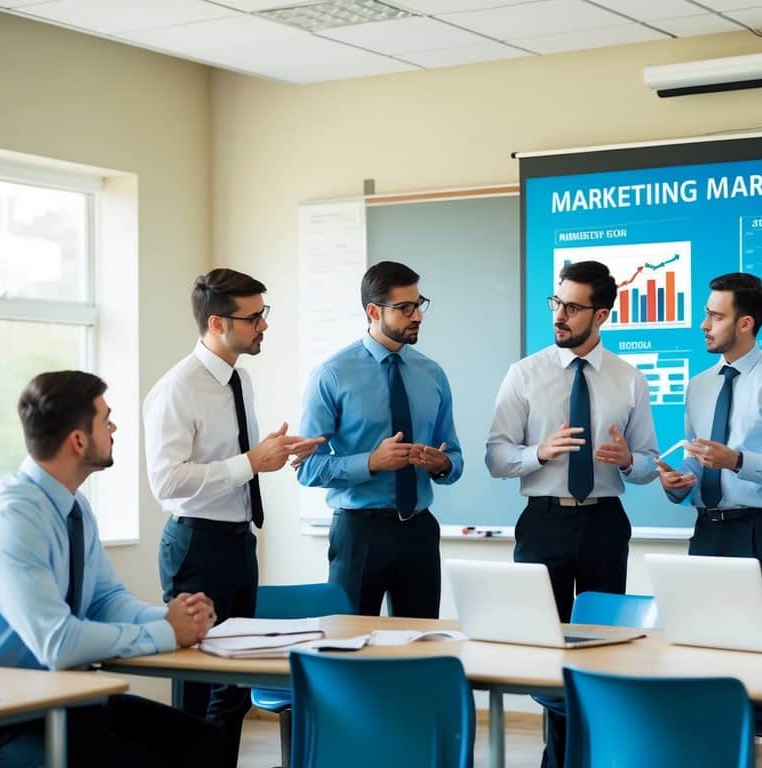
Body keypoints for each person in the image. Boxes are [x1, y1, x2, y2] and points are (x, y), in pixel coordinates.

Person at [0, 371, 225, 768]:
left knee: (205, 742)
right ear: (78, 440)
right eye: (106, 419)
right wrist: (167, 632)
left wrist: (177, 617)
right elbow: (58, 644)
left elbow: (106, 600)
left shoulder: (74, 508)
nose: (114, 426)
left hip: (52, 701)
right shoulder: (11, 519)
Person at [144, 268, 321, 766]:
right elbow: (166, 482)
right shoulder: (177, 389)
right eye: (255, 317)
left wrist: (275, 453)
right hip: (196, 546)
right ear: (219, 323)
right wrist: (249, 463)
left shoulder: (239, 379)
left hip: (239, 542)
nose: (264, 325)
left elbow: (236, 458)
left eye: (264, 313)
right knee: (197, 691)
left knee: (235, 688)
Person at [486, 259, 659, 768]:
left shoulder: (629, 380)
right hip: (544, 521)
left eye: (573, 307)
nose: (559, 314)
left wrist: (630, 460)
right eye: (556, 302)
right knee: (549, 652)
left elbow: (649, 465)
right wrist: (538, 453)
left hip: (605, 520)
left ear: (601, 313)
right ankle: (556, 758)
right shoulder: (525, 374)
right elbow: (496, 456)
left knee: (603, 651)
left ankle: (598, 754)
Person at [297, 261, 463, 617]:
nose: (417, 315)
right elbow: (306, 467)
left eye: (419, 304)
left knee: (421, 645)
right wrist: (371, 462)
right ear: (373, 311)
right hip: (359, 533)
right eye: (405, 308)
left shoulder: (432, 374)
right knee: (350, 645)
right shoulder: (331, 375)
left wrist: (443, 464)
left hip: (418, 529)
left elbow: (456, 457)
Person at [655, 272, 762, 597]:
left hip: (761, 532)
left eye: (716, 316)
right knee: (702, 633)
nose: (704, 324)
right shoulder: (698, 386)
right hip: (706, 529)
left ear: (745, 324)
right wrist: (679, 481)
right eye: (706, 313)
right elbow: (695, 458)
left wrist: (737, 460)